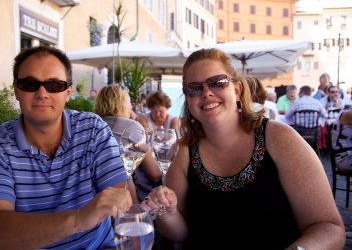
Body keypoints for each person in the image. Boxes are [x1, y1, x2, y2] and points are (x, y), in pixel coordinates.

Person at [141, 48, 345, 249]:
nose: (206, 93)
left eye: (217, 82)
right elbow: (179, 234)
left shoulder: (279, 138)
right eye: (194, 88)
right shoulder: (183, 151)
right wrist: (168, 212)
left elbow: (329, 227)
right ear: (188, 98)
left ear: (237, 90)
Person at [0, 46, 132, 250]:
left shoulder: (93, 130)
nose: (42, 93)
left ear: (68, 92)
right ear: (16, 91)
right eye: (30, 84)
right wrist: (78, 219)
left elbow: (121, 199)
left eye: (54, 84)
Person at [95, 84, 161, 202]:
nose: (132, 106)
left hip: (100, 198)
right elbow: (155, 175)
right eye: (130, 102)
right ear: (123, 104)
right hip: (136, 199)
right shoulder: (133, 127)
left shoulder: (95, 125)